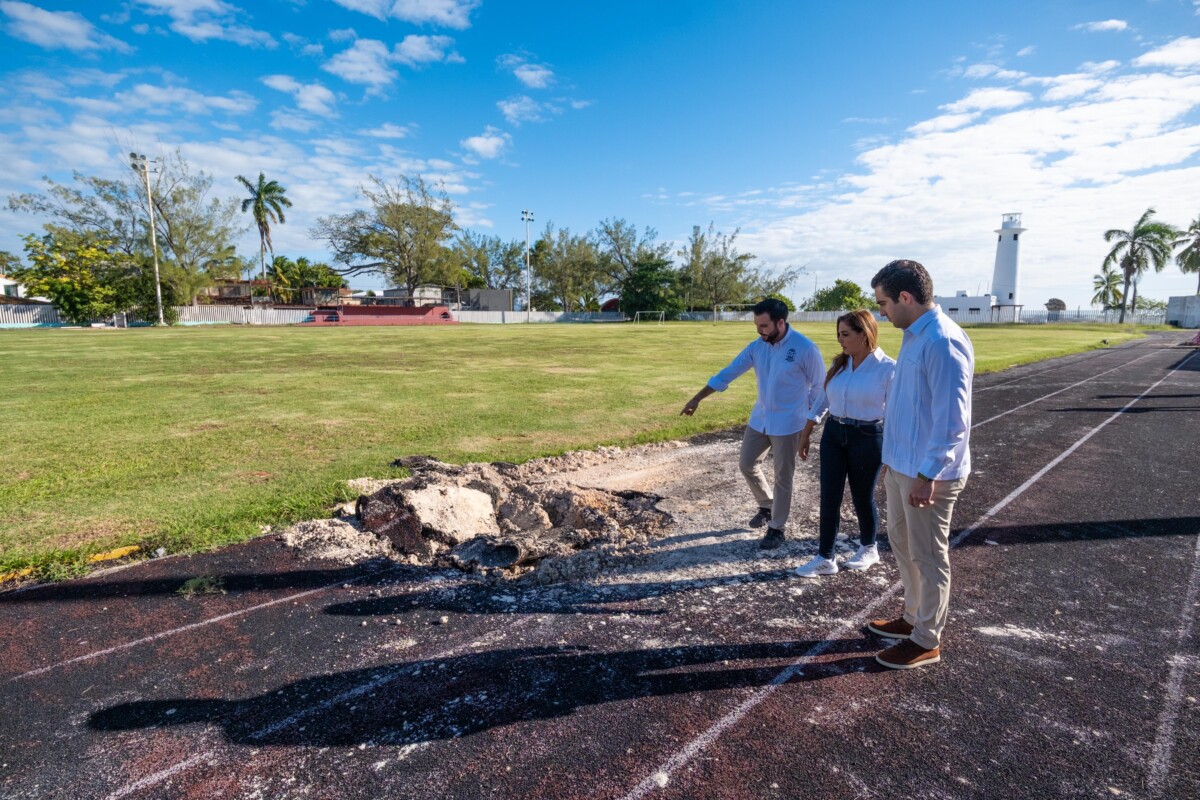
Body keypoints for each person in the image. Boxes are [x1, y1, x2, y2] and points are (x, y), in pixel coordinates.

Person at [865, 259, 973, 670]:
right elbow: (907, 407)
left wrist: (928, 475)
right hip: (901, 465)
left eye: (884, 303)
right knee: (902, 541)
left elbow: (952, 419)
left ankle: (927, 638)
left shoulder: (943, 341)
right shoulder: (914, 334)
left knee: (929, 555)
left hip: (930, 473)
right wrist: (893, 464)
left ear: (906, 298)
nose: (881, 313)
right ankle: (911, 616)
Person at [681, 298, 825, 549]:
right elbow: (729, 372)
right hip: (761, 419)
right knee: (747, 463)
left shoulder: (805, 348)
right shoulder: (757, 347)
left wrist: (809, 420)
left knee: (783, 476)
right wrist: (698, 397)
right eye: (757, 325)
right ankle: (767, 506)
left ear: (781, 322)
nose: (760, 331)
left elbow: (821, 386)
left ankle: (777, 528)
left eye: (765, 326)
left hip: (790, 423)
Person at [794, 310, 895, 577]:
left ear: (865, 334)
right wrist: (807, 431)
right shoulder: (840, 365)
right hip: (834, 435)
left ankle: (869, 548)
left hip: (868, 437)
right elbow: (822, 401)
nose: (841, 340)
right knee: (829, 497)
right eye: (839, 334)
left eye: (846, 334)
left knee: (862, 496)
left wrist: (893, 454)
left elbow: (897, 414)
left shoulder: (888, 369)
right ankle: (825, 557)